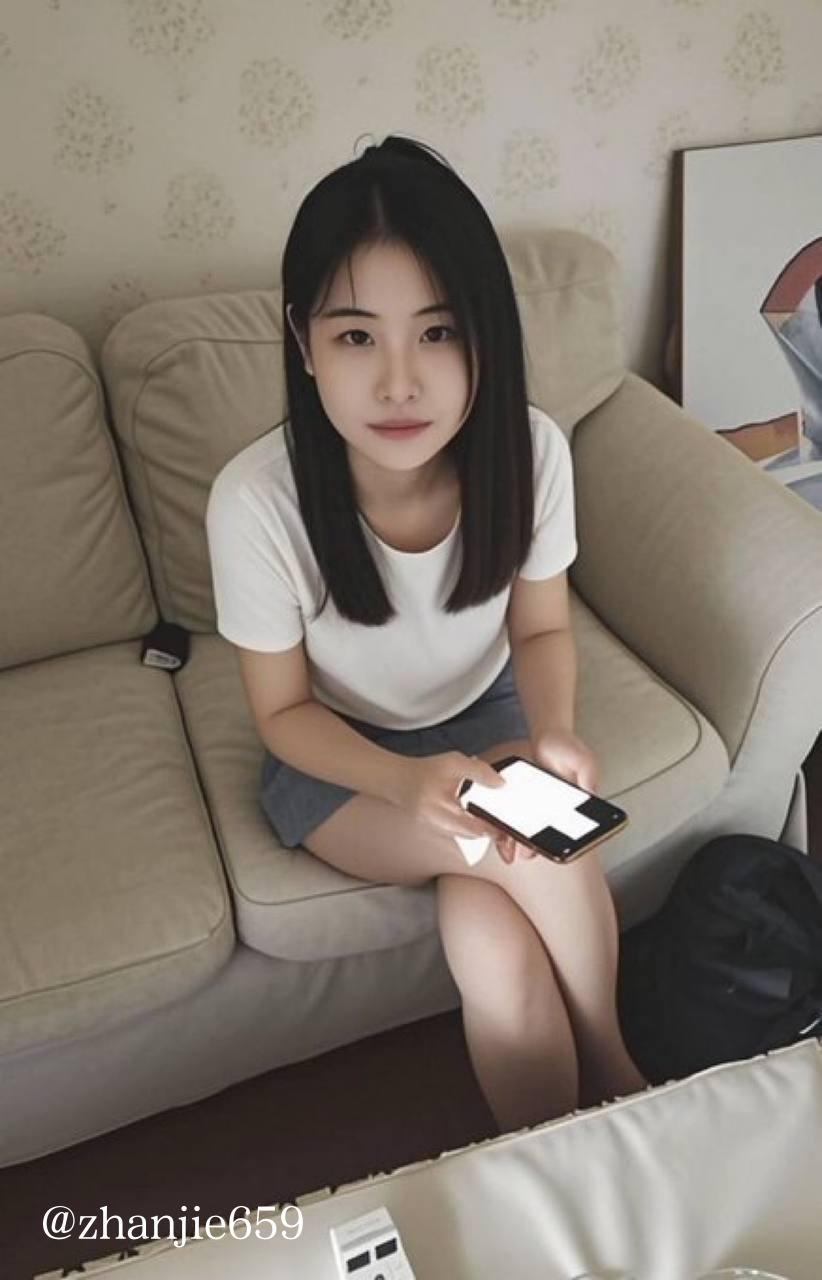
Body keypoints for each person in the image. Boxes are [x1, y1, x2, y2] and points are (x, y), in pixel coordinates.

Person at [205, 133, 646, 1131]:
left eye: (438, 331)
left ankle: (561, 1134)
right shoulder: (257, 502)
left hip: (485, 717)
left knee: (491, 926)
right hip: (343, 762)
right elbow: (281, 713)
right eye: (358, 337)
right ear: (303, 342)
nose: (400, 382)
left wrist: (556, 730)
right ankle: (626, 1082)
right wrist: (407, 782)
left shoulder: (531, 451)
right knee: (511, 849)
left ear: (486, 334)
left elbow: (542, 628)